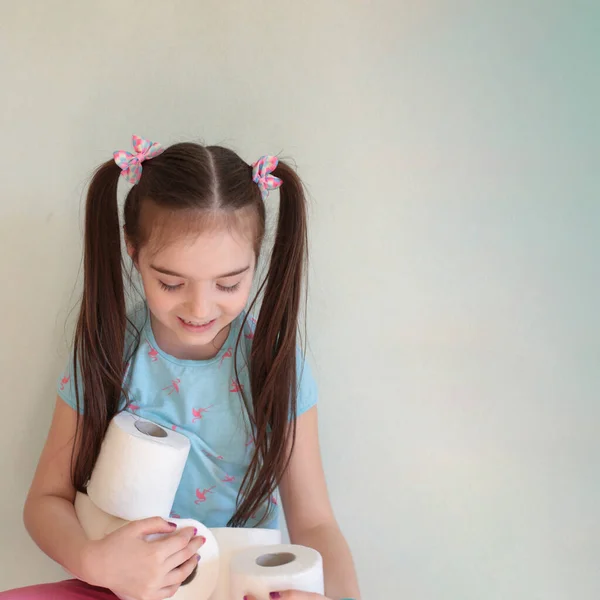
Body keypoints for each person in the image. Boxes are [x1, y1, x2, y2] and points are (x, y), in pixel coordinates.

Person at [1, 136, 360, 600]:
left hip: (235, 584)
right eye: (171, 283)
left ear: (256, 260)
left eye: (229, 283)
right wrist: (95, 561)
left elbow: (314, 522)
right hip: (124, 586)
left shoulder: (273, 363)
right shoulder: (109, 350)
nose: (200, 307)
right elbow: (45, 501)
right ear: (133, 251)